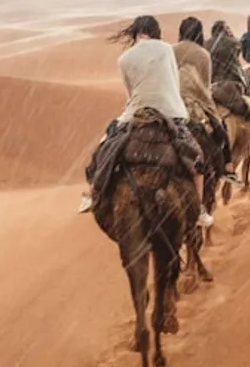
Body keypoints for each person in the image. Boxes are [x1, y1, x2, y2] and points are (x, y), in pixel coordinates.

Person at [78, 15, 213, 226]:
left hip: (136, 112)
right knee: (196, 157)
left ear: (136, 33)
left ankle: (93, 192)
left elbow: (130, 93)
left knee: (104, 146)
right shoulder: (167, 49)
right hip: (170, 111)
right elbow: (173, 82)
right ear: (156, 32)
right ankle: (199, 209)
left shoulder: (124, 59)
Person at [174, 16, 244, 185]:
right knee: (221, 132)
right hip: (196, 105)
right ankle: (228, 167)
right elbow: (205, 86)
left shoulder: (171, 50)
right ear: (199, 33)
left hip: (173, 102)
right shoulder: (203, 55)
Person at [208, 20, 250, 141]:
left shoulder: (206, 44)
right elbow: (238, 49)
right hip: (230, 81)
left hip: (212, 83)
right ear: (225, 30)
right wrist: (230, 35)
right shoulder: (233, 42)